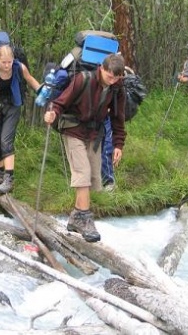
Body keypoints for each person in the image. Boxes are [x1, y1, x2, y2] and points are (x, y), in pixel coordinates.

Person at [44, 54, 127, 242]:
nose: (112, 81)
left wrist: (118, 144)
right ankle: (85, 219)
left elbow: (118, 118)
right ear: (102, 69)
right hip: (72, 129)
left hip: (93, 134)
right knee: (82, 171)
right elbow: (60, 102)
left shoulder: (117, 89)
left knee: (94, 179)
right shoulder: (83, 79)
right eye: (109, 76)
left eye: (116, 78)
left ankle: (74, 218)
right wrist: (52, 114)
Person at [0, 45, 41, 193]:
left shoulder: (19, 67)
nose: (7, 65)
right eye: (4, 62)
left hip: (13, 106)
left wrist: (42, 90)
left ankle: (9, 179)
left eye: (9, 62)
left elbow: (30, 79)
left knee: (5, 141)